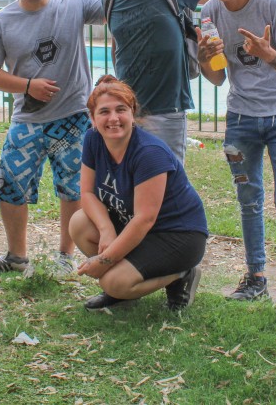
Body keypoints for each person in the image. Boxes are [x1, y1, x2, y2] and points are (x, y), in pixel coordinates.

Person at [194, 0, 276, 328]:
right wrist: (204, 57)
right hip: (241, 117)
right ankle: (256, 277)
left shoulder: (271, 4)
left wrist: (267, 53)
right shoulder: (208, 14)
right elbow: (217, 77)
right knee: (249, 200)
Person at [0, 0, 104, 276]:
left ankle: (65, 255)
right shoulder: (1, 22)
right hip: (27, 119)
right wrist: (26, 85)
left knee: (73, 188)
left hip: (74, 117)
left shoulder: (73, 5)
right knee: (10, 184)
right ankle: (16, 257)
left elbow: (117, 4)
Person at [70, 75, 208, 311]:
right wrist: (106, 231)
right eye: (104, 112)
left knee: (112, 281)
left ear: (132, 113)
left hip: (177, 235)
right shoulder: (93, 139)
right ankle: (124, 286)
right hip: (135, 226)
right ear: (92, 118)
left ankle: (180, 275)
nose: (113, 118)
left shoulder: (149, 153)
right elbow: (87, 193)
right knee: (79, 223)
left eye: (121, 110)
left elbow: (145, 219)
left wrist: (105, 260)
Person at [104, 0, 207, 162]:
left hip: (168, 108)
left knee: (169, 183)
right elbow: (117, 43)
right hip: (127, 110)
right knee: (131, 183)